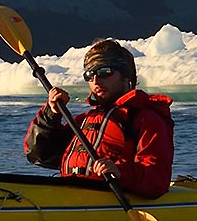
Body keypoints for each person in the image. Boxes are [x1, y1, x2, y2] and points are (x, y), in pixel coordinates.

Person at [24, 39, 175, 199]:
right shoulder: (85, 121)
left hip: (113, 200)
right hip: (73, 196)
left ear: (125, 76)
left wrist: (120, 172)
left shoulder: (146, 119)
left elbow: (157, 179)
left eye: (105, 72)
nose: (95, 81)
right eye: (89, 75)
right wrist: (51, 114)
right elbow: (38, 155)